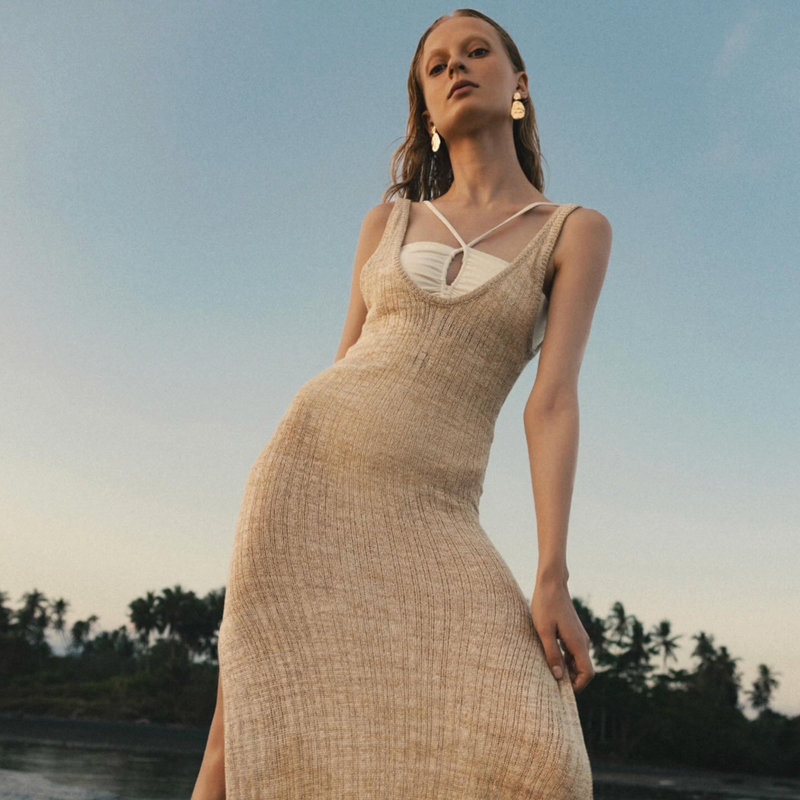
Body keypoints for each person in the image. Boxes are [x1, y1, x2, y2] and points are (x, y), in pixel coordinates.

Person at [192, 8, 612, 800]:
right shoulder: (387, 221)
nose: (457, 68)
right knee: (241, 735)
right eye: (436, 65)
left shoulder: (574, 231)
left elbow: (552, 402)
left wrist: (551, 572)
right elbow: (346, 360)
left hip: (437, 505)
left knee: (546, 766)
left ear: (518, 84)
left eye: (476, 52)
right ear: (423, 107)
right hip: (308, 478)